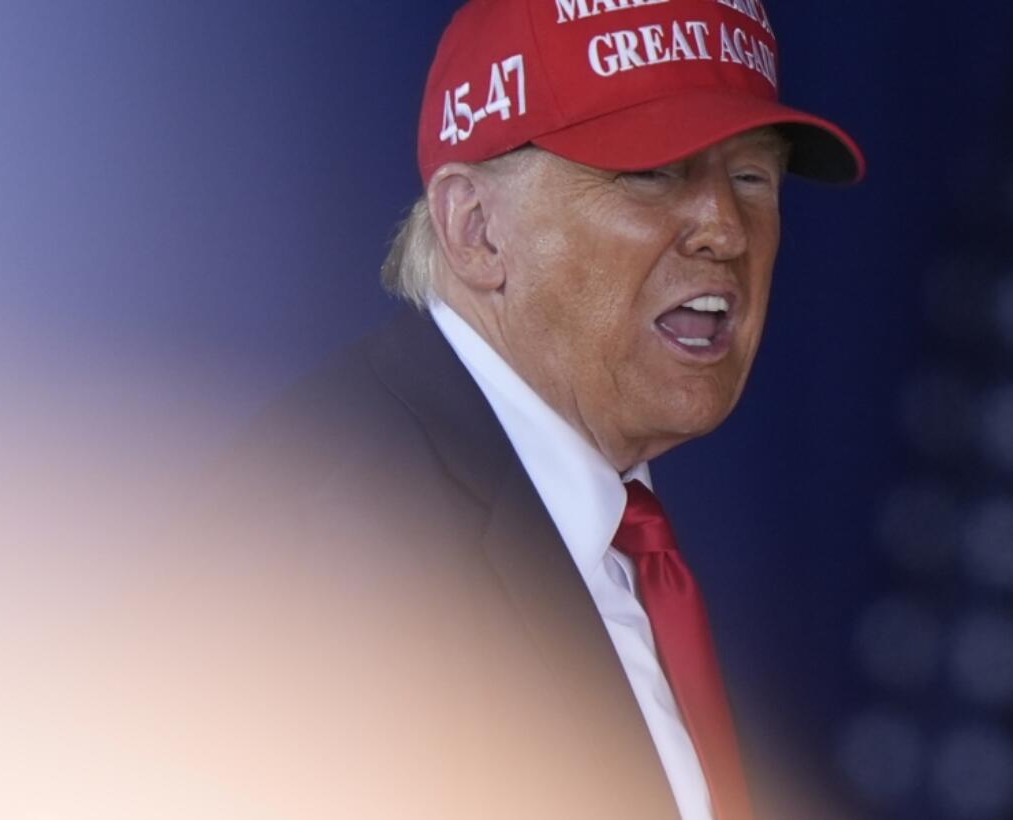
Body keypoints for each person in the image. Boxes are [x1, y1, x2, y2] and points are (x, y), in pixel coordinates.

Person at [220, 1, 864, 818]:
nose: (725, 232)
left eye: (750, 178)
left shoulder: (620, 535)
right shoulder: (320, 552)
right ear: (477, 230)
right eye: (652, 170)